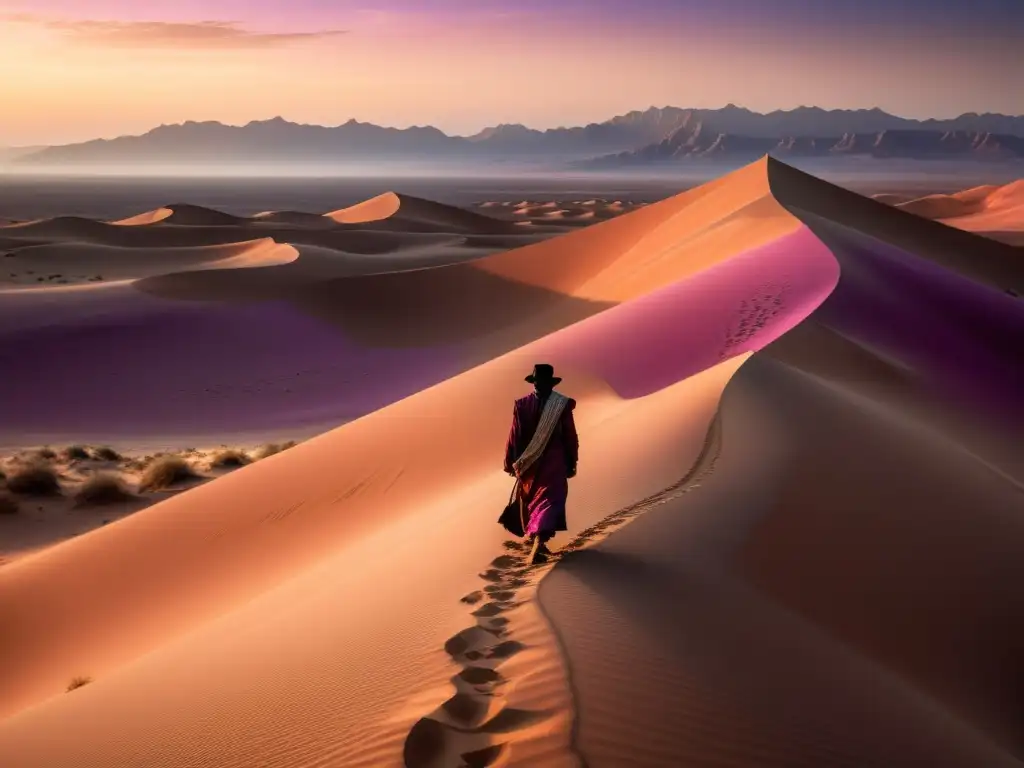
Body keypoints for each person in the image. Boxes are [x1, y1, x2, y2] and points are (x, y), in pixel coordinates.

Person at [504, 363, 579, 564]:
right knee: (549, 501)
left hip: (531, 463)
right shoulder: (560, 404)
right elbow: (570, 436)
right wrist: (572, 461)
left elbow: (514, 437)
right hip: (552, 462)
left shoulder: (523, 404)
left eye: (540, 382)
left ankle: (539, 542)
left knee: (536, 502)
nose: (539, 385)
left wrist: (511, 462)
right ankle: (538, 543)